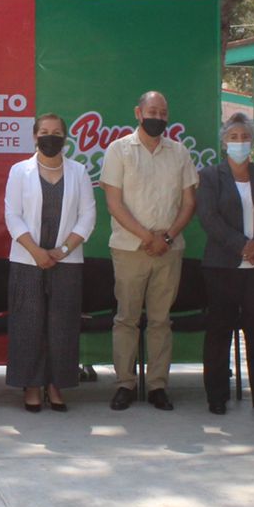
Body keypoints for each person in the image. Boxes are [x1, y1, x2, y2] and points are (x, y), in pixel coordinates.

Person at [100, 90, 197, 411]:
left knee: (160, 321)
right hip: (130, 249)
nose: (158, 116)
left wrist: (166, 238)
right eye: (152, 110)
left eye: (163, 112)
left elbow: (188, 202)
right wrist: (147, 237)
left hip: (169, 250)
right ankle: (125, 384)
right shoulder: (119, 150)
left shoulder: (180, 153)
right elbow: (114, 202)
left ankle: (157, 386)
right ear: (138, 113)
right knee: (127, 319)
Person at [4, 113, 95, 412]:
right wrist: (37, 251)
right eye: (44, 132)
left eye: (56, 132)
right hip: (27, 260)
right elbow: (12, 215)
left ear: (65, 138)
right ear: (34, 136)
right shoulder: (19, 171)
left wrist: (64, 249)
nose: (50, 137)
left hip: (67, 261)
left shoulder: (79, 172)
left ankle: (57, 384)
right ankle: (31, 385)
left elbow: (88, 216)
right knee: (28, 324)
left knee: (63, 324)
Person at [197, 112, 254, 415]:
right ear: (224, 143)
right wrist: (243, 247)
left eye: (245, 137)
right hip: (222, 265)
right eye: (233, 137)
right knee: (220, 329)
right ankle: (217, 396)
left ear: (252, 141)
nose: (240, 142)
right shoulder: (209, 177)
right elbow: (209, 218)